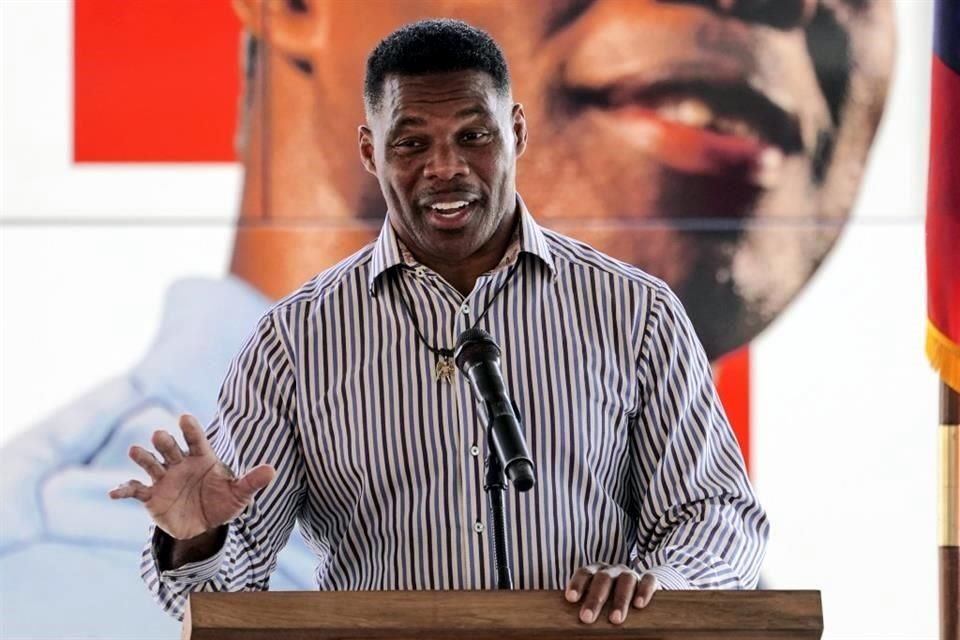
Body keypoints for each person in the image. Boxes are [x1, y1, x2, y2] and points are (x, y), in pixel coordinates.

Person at [0, 1, 893, 638]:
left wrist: (665, 587)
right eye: (411, 143)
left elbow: (716, 518)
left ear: (516, 133)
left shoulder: (636, 315)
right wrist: (198, 536)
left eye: (474, 137)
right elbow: (224, 591)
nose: (446, 169)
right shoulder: (57, 567)